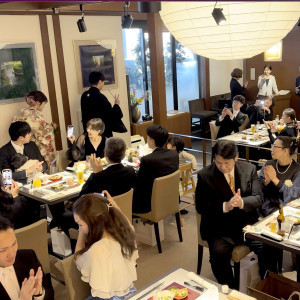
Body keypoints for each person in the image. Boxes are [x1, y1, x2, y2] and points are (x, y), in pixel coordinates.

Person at [195, 140, 265, 288]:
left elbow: (259, 198)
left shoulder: (249, 169)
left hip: (246, 224)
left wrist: (241, 203)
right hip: (219, 226)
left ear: (236, 158)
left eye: (227, 163)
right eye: (218, 163)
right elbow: (200, 207)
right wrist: (225, 206)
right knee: (218, 254)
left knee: (268, 246)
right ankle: (231, 290)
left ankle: (265, 283)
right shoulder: (204, 175)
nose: (223, 167)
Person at [73, 192, 138, 300]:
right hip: (130, 292)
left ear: (93, 222)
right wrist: (111, 204)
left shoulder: (97, 250)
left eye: (80, 224)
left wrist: (81, 233)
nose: (79, 227)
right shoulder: (127, 231)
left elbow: (77, 258)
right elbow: (121, 216)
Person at [0, 217, 54, 300]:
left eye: (14, 244)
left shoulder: (28, 257)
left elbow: (50, 293)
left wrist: (38, 293)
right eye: (3, 250)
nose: (12, 253)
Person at [132, 124, 179, 214]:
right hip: (170, 198)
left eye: (148, 138)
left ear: (152, 141)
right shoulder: (174, 154)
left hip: (150, 204)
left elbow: (139, 183)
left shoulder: (147, 159)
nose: (147, 140)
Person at [258, 136, 300, 217]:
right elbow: (258, 191)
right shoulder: (268, 164)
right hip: (267, 208)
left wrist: (275, 179)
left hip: (288, 209)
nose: (271, 149)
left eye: (275, 147)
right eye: (272, 146)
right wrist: (266, 182)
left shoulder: (297, 170)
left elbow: (294, 196)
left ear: (285, 150)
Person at [13, 91, 56, 166]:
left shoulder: (21, 114)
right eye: (43, 104)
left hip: (23, 146)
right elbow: (41, 134)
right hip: (36, 148)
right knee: (44, 167)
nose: (43, 107)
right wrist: (51, 127)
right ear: (38, 102)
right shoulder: (35, 116)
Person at [81, 71, 123, 137]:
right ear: (100, 81)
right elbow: (111, 115)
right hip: (101, 133)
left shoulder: (84, 95)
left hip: (89, 131)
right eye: (103, 82)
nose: (103, 84)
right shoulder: (101, 97)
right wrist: (116, 105)